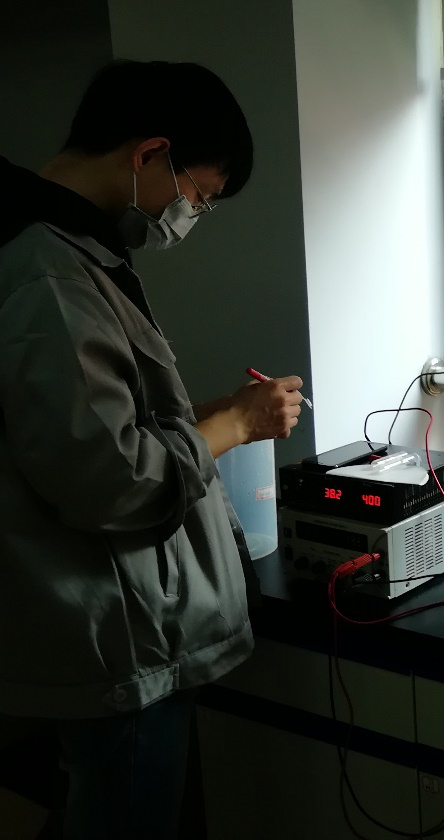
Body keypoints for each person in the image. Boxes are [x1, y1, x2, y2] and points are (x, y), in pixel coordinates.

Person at [0, 60, 303, 839]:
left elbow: (89, 426)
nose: (189, 216)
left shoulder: (72, 251)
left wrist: (214, 414)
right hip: (115, 638)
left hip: (109, 623)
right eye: (198, 196)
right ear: (150, 154)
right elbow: (113, 478)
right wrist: (237, 426)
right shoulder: (49, 274)